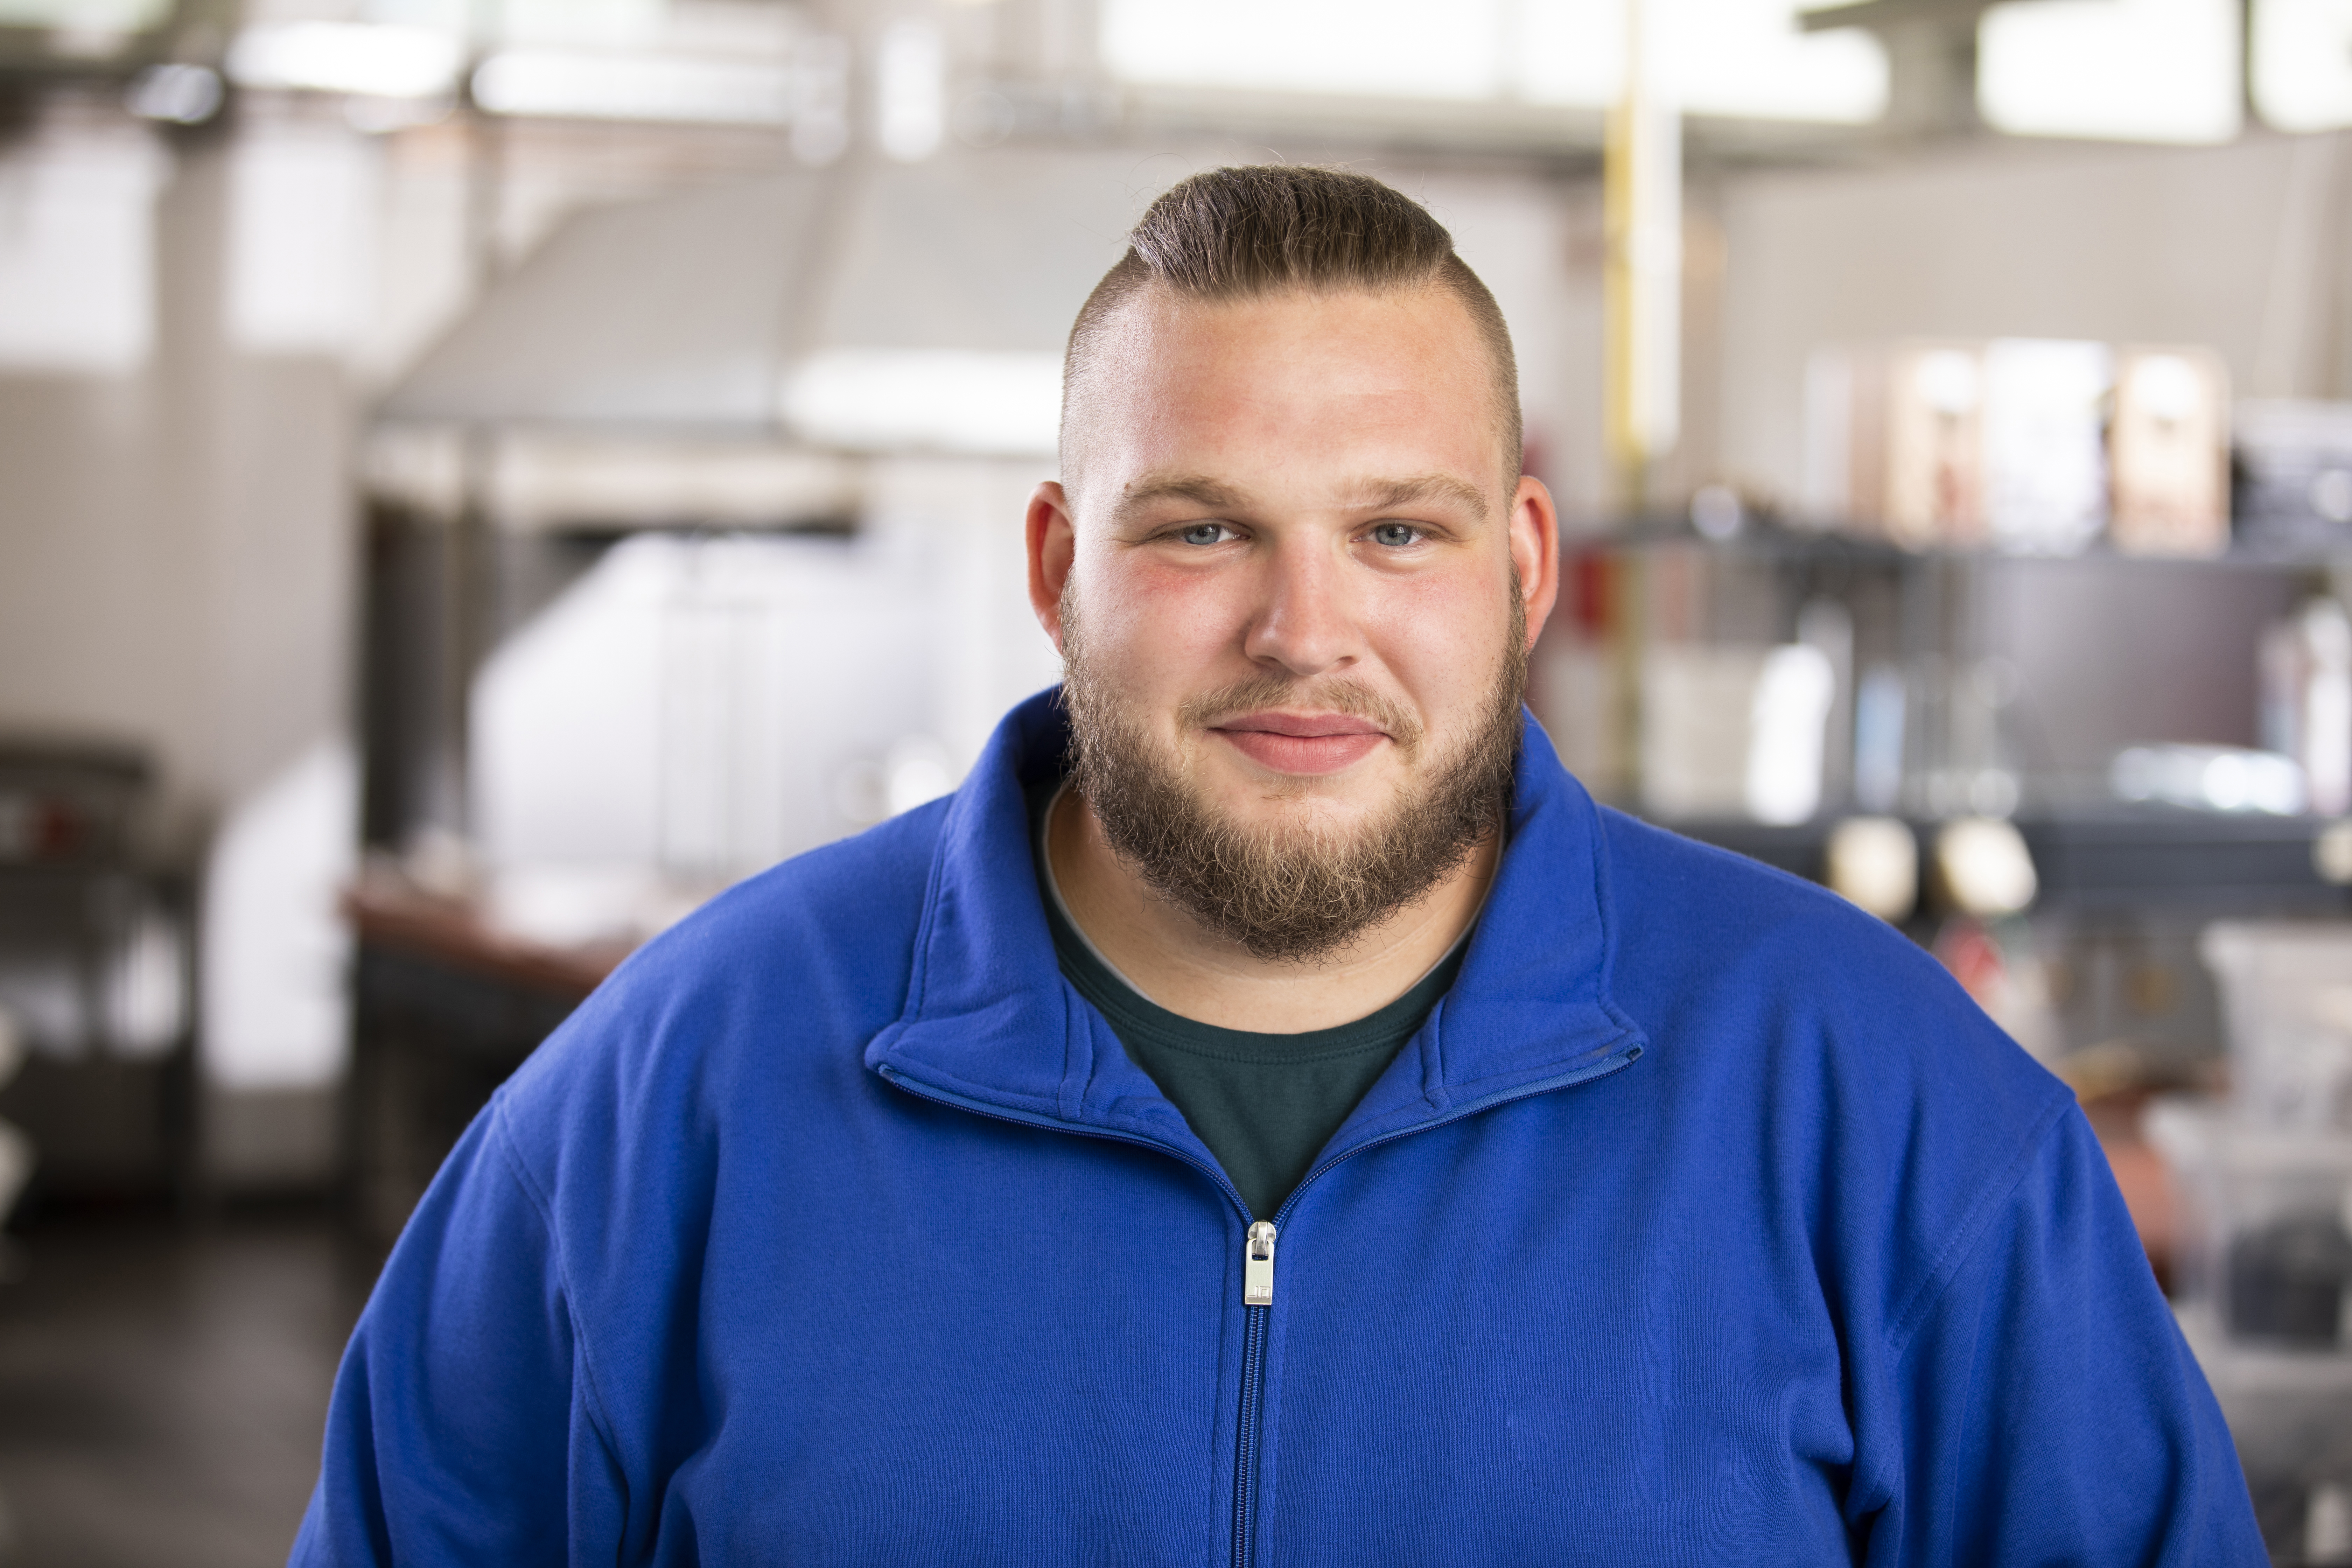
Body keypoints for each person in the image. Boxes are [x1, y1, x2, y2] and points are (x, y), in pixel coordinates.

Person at [292, 166, 2263, 1566]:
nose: (1305, 630)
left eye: (1397, 531)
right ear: (1061, 569)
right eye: (1205, 530)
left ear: (1525, 570)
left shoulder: (1882, 1103)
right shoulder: (679, 1094)